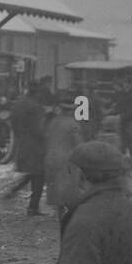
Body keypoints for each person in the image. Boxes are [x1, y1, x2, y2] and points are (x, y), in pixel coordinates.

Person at [5, 78, 51, 215]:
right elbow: (39, 129)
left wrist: (20, 136)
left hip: (23, 143)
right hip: (36, 145)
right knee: (39, 174)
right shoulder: (36, 106)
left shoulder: (18, 104)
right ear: (37, 92)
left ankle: (15, 190)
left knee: (34, 172)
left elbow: (13, 123)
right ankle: (33, 207)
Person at [43, 90, 85, 223]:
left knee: (55, 188)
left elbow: (46, 138)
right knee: (69, 188)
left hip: (50, 157)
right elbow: (79, 144)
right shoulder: (73, 124)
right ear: (72, 110)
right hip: (66, 159)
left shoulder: (53, 122)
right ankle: (70, 215)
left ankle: (60, 213)